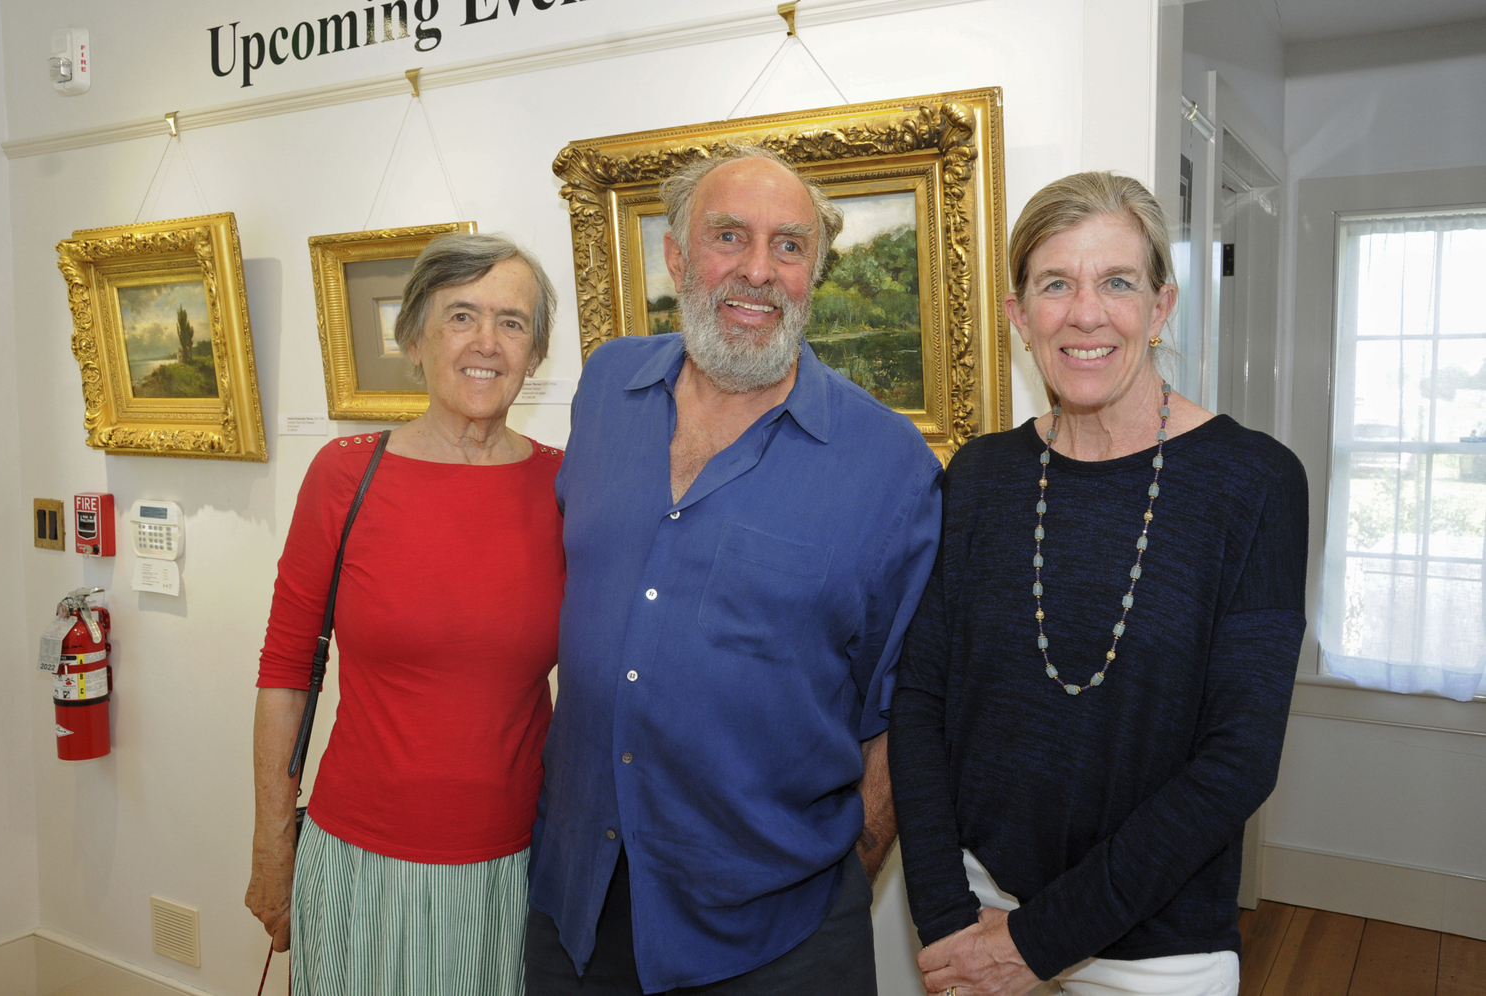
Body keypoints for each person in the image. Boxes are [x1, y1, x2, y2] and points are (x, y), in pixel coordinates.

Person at [525, 146, 943, 995]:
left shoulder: (890, 465)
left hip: (774, 936)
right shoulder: (606, 389)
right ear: (677, 256)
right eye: (729, 236)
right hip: (577, 907)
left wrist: (847, 873)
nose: (758, 271)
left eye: (788, 246)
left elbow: (907, 708)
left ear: (813, 274)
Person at [890, 171, 1309, 996]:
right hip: (974, 918)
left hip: (1157, 951)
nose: (1086, 313)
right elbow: (920, 698)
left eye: (1117, 282)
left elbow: (1239, 759)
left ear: (1161, 308)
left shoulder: (1254, 482)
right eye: (1056, 284)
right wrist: (944, 916)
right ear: (1019, 316)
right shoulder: (978, 477)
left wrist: (1039, 942)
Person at [245, 233, 565, 996]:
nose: (487, 343)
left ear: (535, 350)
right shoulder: (345, 476)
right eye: (462, 316)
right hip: (361, 858)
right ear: (415, 338)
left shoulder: (566, 487)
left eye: (513, 322)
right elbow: (287, 672)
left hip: (518, 865)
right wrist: (270, 843)